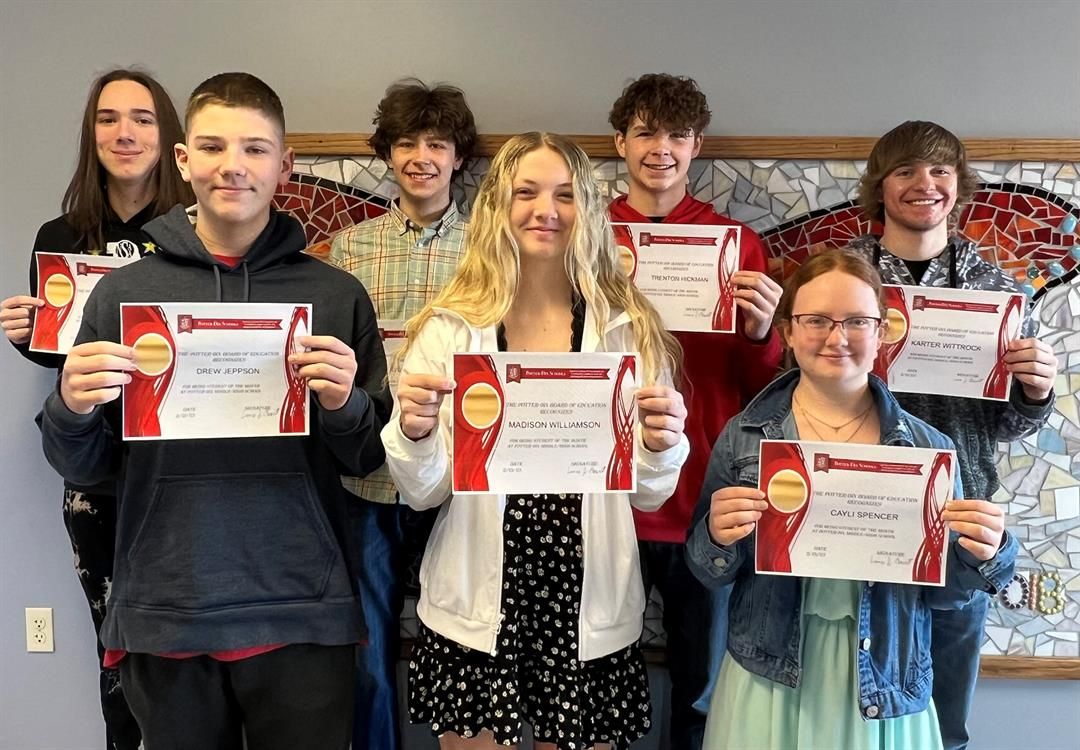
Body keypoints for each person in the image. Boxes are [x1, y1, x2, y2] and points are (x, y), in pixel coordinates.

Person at [37, 72, 390, 750]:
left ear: (284, 164)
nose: (234, 165)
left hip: (302, 608)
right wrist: (71, 406)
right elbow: (86, 465)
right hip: (167, 604)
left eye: (256, 149)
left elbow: (367, 457)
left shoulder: (338, 294)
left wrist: (346, 405)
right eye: (214, 146)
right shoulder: (121, 296)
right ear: (183, 160)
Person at [383, 132, 690, 749]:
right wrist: (415, 432)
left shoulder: (629, 330)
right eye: (525, 192)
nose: (544, 210)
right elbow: (423, 492)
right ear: (497, 205)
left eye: (565, 195)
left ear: (589, 212)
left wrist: (661, 446)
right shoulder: (450, 327)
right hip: (477, 593)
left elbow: (649, 498)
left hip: (589, 594)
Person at [686, 249, 1018, 749]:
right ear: (789, 332)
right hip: (767, 674)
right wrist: (715, 535)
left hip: (884, 677)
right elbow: (707, 569)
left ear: (882, 331)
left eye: (857, 321)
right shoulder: (744, 437)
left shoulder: (929, 449)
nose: (836, 337)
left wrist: (988, 553)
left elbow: (947, 596)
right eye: (816, 320)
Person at [848, 120, 1059, 750]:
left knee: (944, 721)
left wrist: (1036, 391)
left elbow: (1010, 426)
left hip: (959, 514)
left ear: (958, 186)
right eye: (907, 170)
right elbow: (799, 385)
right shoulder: (843, 276)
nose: (925, 184)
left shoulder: (998, 287)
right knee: (847, 700)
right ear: (880, 186)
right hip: (857, 501)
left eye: (940, 171)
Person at [0, 67, 193, 750]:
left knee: (183, 651)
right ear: (92, 134)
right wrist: (30, 340)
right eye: (108, 118)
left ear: (167, 134)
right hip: (99, 475)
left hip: (181, 469)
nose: (124, 132)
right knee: (114, 646)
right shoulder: (60, 234)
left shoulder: (197, 232)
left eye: (142, 117)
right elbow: (63, 363)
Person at [607, 72, 783, 749]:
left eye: (677, 134)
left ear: (697, 145)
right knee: (600, 676)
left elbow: (756, 384)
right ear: (621, 142)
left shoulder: (735, 247)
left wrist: (763, 332)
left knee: (698, 687)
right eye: (646, 131)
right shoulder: (587, 239)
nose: (662, 148)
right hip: (608, 493)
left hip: (705, 494)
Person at [329, 77, 477, 750]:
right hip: (367, 477)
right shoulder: (349, 249)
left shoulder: (488, 250)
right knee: (368, 647)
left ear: (458, 155)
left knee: (462, 638)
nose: (422, 156)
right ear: (388, 152)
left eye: (438, 142)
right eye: (407, 142)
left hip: (452, 478)